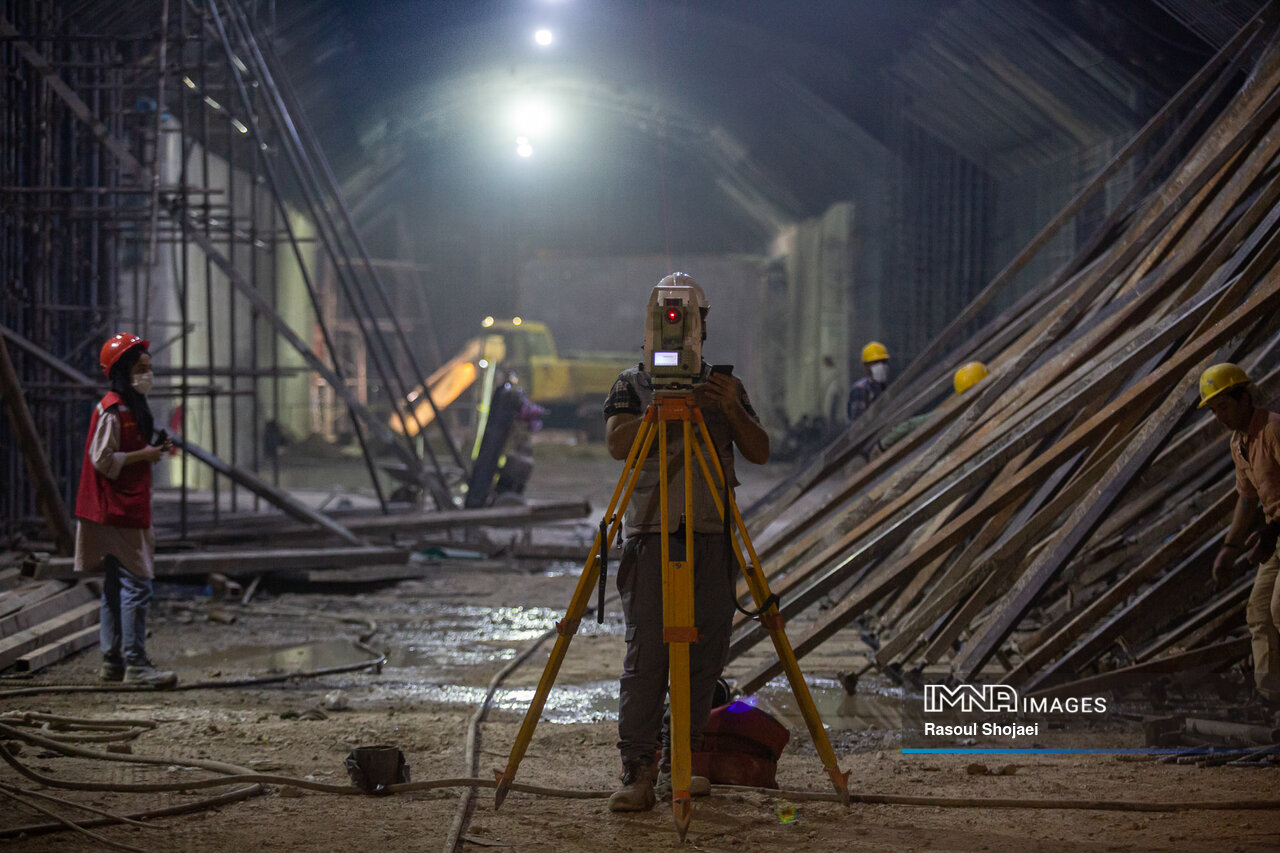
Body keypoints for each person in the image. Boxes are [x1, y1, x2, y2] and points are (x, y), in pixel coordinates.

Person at [602, 273, 769, 812]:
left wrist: (730, 409)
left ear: (703, 322)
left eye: (688, 317)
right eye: (668, 317)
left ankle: (684, 760)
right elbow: (616, 446)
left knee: (704, 655)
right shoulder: (632, 382)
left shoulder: (725, 387)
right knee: (648, 655)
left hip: (712, 535)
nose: (678, 327)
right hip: (652, 533)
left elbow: (761, 450)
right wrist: (661, 412)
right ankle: (638, 769)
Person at [74, 333, 177, 687]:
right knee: (137, 585)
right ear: (121, 371)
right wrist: (144, 456)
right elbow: (101, 460)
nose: (147, 374)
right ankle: (135, 664)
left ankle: (112, 662)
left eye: (149, 368)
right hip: (118, 509)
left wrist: (154, 446)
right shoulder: (113, 409)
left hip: (123, 506)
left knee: (116, 585)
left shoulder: (131, 407)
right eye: (140, 368)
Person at [1200, 363, 1280, 710]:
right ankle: (1271, 701)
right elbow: (1247, 499)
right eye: (1215, 410)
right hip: (1275, 536)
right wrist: (1228, 547)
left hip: (1276, 532)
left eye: (1225, 406)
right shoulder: (1239, 443)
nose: (1221, 415)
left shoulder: (1274, 429)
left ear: (1245, 396)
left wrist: (1271, 532)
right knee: (1259, 612)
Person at [872, 361, 988, 455]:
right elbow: (909, 425)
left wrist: (882, 446)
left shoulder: (949, 415)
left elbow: (909, 425)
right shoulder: (953, 415)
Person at [847, 341, 890, 423]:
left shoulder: (883, 387)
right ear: (866, 366)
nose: (881, 366)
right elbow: (858, 423)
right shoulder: (860, 389)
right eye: (876, 362)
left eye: (884, 361)